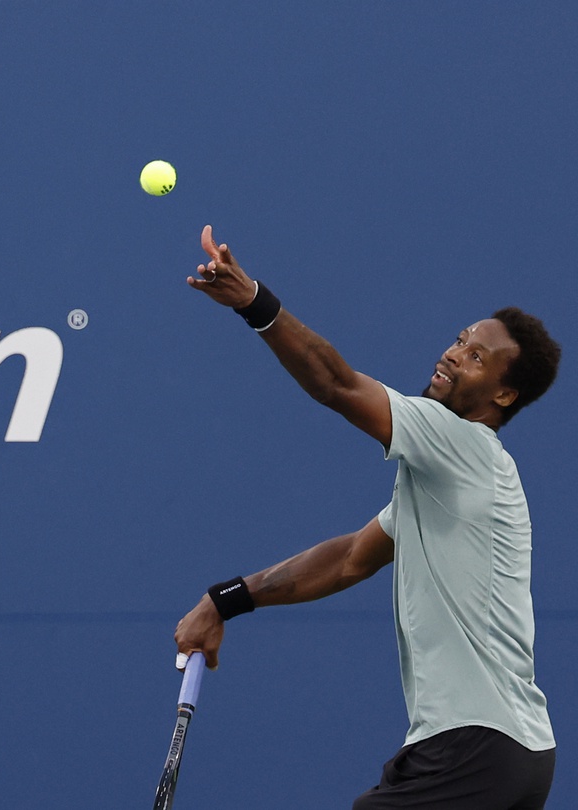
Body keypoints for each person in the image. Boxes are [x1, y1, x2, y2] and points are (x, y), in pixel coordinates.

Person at [173, 225, 561, 809]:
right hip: (506, 755)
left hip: (475, 748)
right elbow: (351, 559)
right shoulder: (447, 480)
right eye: (459, 340)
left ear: (503, 397)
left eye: (477, 357)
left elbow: (333, 383)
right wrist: (226, 599)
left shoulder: (462, 443)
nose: (454, 353)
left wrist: (254, 301)